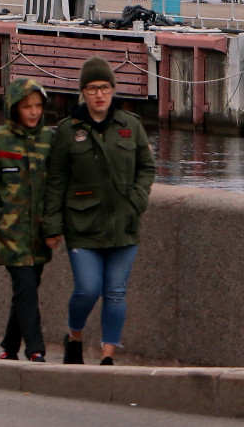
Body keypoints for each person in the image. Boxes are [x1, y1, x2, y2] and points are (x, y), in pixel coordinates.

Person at [41, 56, 156, 366]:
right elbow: (55, 181)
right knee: (88, 289)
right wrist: (52, 226)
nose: (99, 94)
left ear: (113, 90)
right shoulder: (68, 130)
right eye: (92, 88)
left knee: (116, 292)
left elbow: (147, 168)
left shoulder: (130, 125)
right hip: (82, 224)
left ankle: (108, 356)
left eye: (105, 87)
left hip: (124, 224)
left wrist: (137, 200)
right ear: (83, 93)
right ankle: (75, 335)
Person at [0, 76, 55, 362]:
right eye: (27, 106)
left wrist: (54, 226)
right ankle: (36, 349)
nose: (33, 112)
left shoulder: (49, 141)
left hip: (39, 237)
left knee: (25, 292)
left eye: (38, 106)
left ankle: (9, 345)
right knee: (26, 289)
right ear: (14, 108)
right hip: (11, 238)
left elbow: (58, 188)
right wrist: (2, 222)